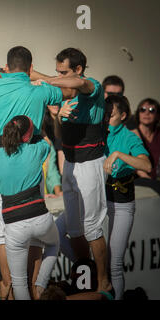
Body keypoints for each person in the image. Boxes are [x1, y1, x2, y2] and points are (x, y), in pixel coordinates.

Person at [0, 45, 76, 293]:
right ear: (29, 68)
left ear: (6, 67)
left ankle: (13, 288)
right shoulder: (37, 91)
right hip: (30, 160)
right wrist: (40, 78)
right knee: (37, 229)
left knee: (4, 233)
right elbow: (71, 89)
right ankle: (34, 286)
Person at [32, 47, 112, 292]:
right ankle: (85, 278)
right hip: (70, 164)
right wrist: (57, 116)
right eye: (57, 72)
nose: (59, 76)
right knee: (75, 229)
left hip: (90, 165)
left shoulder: (92, 87)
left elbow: (77, 83)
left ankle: (103, 283)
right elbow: (59, 136)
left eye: (63, 72)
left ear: (77, 70)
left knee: (91, 227)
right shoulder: (65, 95)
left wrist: (41, 77)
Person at [0, 116, 59, 300]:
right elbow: (47, 142)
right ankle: (40, 284)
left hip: (14, 224)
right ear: (27, 135)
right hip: (40, 218)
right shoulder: (37, 149)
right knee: (54, 244)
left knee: (19, 283)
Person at [103, 95, 151, 300]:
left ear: (123, 116)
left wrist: (119, 155)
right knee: (99, 262)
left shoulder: (130, 137)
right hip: (100, 203)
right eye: (105, 114)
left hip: (121, 204)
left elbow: (147, 165)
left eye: (111, 115)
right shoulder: (98, 132)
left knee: (114, 263)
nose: (106, 118)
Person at [130, 98, 160, 180]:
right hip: (139, 180)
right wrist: (151, 182)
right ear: (138, 113)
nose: (147, 113)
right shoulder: (131, 134)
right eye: (142, 110)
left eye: (151, 110)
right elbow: (133, 163)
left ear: (157, 115)